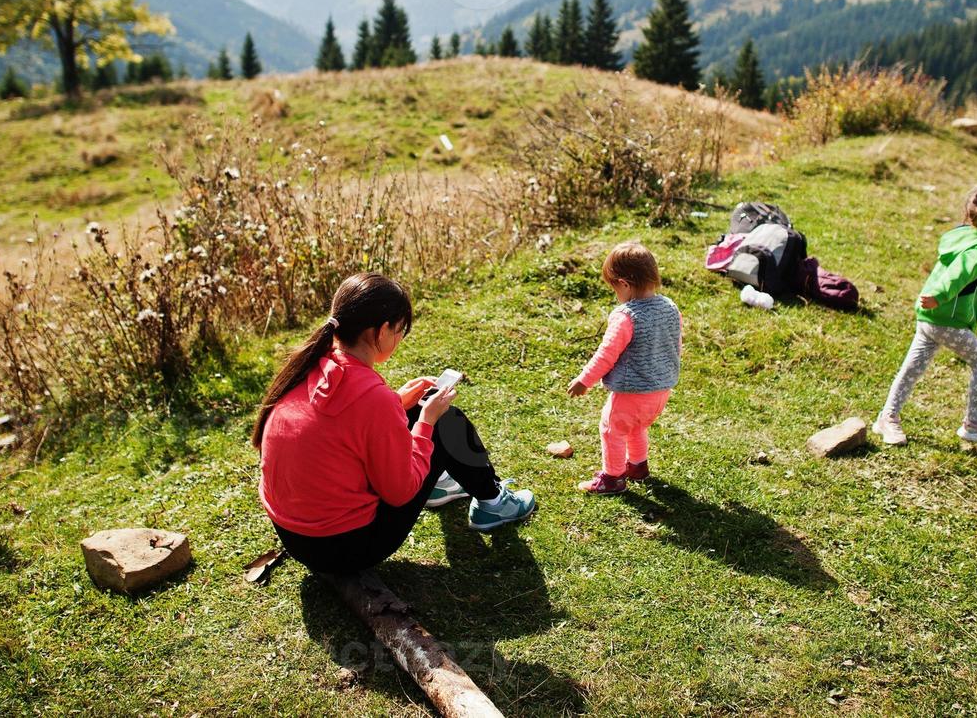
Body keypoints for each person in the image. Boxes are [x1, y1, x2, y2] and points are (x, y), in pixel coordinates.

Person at [255, 272, 535, 575]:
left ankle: (440, 486)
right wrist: (426, 421)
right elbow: (399, 493)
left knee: (417, 413)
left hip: (296, 538)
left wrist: (398, 403)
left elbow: (340, 427)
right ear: (383, 330)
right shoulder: (372, 397)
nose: (400, 339)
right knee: (446, 422)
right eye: (401, 330)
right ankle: (493, 503)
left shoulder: (311, 366)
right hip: (345, 548)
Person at [874, 184, 977, 446]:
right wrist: (941, 296)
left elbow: (974, 285)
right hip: (947, 319)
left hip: (930, 315)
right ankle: (975, 423)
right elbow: (960, 274)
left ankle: (888, 417)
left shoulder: (962, 234)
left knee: (912, 368)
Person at [567, 242, 683, 495]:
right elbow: (675, 345)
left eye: (614, 288)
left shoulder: (626, 316)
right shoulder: (670, 308)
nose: (615, 294)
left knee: (611, 429)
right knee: (636, 427)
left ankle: (612, 478)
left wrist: (584, 380)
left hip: (633, 391)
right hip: (661, 390)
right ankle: (638, 466)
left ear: (625, 284)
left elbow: (606, 354)